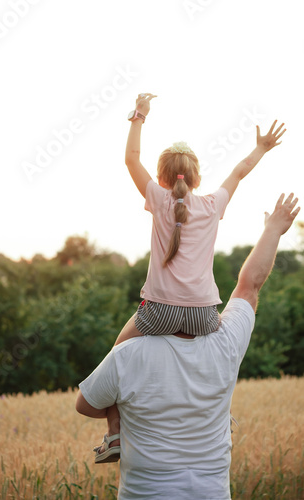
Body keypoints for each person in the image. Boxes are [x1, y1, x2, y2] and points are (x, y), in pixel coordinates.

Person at [91, 93, 286, 463]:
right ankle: (221, 415)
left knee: (115, 359)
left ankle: (114, 435)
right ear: (197, 177)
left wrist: (140, 115)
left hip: (157, 312)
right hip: (204, 316)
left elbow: (130, 159)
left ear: (163, 178)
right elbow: (241, 170)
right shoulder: (213, 205)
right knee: (222, 362)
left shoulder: (157, 198)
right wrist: (261, 147)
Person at [76, 193, 300, 500]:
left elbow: (85, 403)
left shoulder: (127, 355)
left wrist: (145, 313)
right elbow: (250, 285)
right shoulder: (226, 343)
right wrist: (273, 229)